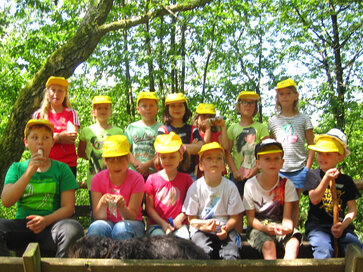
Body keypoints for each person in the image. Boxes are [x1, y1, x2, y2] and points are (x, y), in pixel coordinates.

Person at [0, 119, 84, 257]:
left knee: (73, 229)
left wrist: (46, 220)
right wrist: (29, 173)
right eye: (34, 138)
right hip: (22, 226)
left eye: (46, 138)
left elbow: (68, 208)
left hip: (51, 227)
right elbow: (6, 201)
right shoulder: (17, 168)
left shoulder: (62, 169)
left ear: (52, 142)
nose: (40, 142)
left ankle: (59, 267)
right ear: (26, 142)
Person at [304, 129, 362, 259]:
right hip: (317, 227)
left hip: (342, 227)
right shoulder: (312, 176)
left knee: (356, 249)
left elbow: (352, 208)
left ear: (340, 157)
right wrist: (326, 180)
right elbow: (314, 199)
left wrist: (343, 226)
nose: (322, 158)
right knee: (323, 252)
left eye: (328, 154)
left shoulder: (346, 180)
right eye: (320, 153)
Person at [183, 142, 244, 260]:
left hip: (225, 228)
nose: (214, 161)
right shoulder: (195, 187)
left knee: (231, 252)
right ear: (200, 165)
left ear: (223, 165)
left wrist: (225, 229)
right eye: (209, 158)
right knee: (201, 251)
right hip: (201, 229)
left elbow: (234, 217)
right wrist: (205, 226)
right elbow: (191, 219)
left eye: (219, 158)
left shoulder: (230, 187)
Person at [243, 139, 301, 260]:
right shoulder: (250, 185)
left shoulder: (286, 184)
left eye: (276, 158)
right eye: (267, 159)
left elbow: (287, 218)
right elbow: (250, 219)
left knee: (294, 243)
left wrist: (287, 229)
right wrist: (265, 228)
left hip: (280, 225)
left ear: (282, 162)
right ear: (258, 163)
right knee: (269, 246)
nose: (272, 163)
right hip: (258, 227)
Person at [268, 78, 315, 227]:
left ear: (296, 96)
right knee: (278, 203)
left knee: (294, 203)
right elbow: (271, 147)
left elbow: (312, 145)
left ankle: (292, 232)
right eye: (281, 94)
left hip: (299, 168)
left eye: (288, 93)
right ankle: (278, 230)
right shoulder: (273, 121)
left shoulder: (304, 118)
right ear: (277, 98)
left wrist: (307, 167)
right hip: (280, 169)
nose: (285, 97)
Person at [86, 135, 145, 240]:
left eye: (121, 159)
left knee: (121, 228)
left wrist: (122, 207)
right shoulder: (97, 179)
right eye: (111, 160)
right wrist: (102, 203)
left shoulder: (137, 179)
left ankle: (123, 257)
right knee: (97, 228)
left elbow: (132, 216)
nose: (116, 164)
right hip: (107, 222)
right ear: (105, 161)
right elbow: (98, 217)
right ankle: (94, 256)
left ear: (128, 159)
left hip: (133, 223)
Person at [77, 96, 123, 218]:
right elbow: (80, 152)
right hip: (94, 179)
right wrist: (95, 158)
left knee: (114, 212)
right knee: (96, 212)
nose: (102, 111)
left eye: (106, 108)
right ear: (93, 111)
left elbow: (123, 154)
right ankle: (96, 235)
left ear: (111, 111)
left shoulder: (118, 131)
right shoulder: (87, 131)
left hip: (115, 179)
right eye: (99, 108)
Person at [145, 132, 193, 239]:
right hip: (156, 225)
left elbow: (191, 204)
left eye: (172, 157)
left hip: (179, 225)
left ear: (180, 157)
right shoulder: (152, 179)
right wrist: (163, 224)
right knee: (159, 242)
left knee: (183, 240)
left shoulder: (186, 179)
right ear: (159, 157)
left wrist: (180, 218)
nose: (167, 161)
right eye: (164, 157)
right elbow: (150, 208)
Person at [33, 76, 79, 177]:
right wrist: (59, 137)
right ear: (47, 92)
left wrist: (48, 136)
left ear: (65, 93)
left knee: (67, 192)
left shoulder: (71, 113)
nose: (56, 94)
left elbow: (71, 136)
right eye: (53, 90)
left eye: (60, 91)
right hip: (43, 162)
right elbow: (36, 139)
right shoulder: (39, 115)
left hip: (68, 164)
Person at [226, 91, 269, 196]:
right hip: (237, 176)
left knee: (255, 206)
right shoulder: (233, 128)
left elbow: (266, 152)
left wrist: (256, 169)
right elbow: (227, 152)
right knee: (237, 207)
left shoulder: (261, 128)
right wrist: (235, 171)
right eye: (244, 102)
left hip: (256, 175)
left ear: (255, 107)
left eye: (251, 103)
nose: (248, 106)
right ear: (238, 106)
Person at [158, 93, 203, 180]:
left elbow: (200, 147)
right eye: (173, 106)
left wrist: (173, 147)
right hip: (168, 176)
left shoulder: (192, 129)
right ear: (167, 109)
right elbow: (161, 150)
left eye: (180, 105)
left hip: (190, 176)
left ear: (185, 108)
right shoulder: (163, 130)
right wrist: (189, 148)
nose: (177, 109)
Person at [124, 92, 162, 179]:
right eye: (144, 106)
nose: (148, 108)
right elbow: (125, 149)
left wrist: (147, 165)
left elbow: (163, 152)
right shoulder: (131, 128)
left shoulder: (161, 128)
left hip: (154, 174)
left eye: (152, 105)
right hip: (134, 172)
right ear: (138, 109)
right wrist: (138, 165)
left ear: (157, 109)